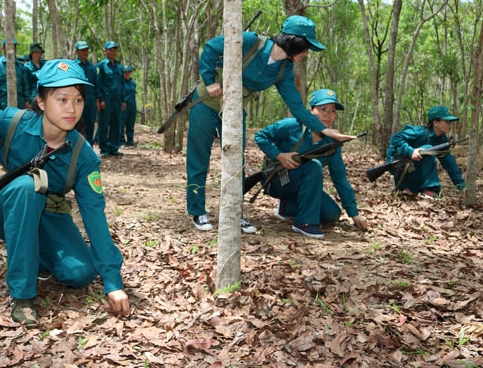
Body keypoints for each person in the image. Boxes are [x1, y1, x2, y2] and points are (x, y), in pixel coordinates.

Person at [0, 59, 130, 325]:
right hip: (4, 209)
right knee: (26, 186)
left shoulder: (84, 156)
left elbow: (94, 217)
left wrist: (113, 282)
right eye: (62, 99)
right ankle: (21, 294)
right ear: (42, 102)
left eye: (78, 100)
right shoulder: (15, 122)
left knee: (80, 273)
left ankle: (36, 256)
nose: (71, 109)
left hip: (49, 215)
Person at [186, 15, 354, 233]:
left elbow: (296, 106)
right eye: (305, 47)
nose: (305, 54)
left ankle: (234, 214)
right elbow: (210, 48)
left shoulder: (283, 71)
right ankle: (197, 211)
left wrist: (324, 129)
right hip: (206, 105)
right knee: (199, 158)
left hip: (235, 112)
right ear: (295, 41)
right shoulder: (250, 41)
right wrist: (209, 81)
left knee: (237, 162)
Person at [253, 89, 369, 238]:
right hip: (276, 181)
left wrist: (354, 214)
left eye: (332, 110)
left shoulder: (331, 144)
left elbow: (340, 179)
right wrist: (279, 155)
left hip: (301, 188)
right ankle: (305, 223)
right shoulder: (293, 125)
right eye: (322, 109)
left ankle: (287, 207)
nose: (327, 114)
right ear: (310, 111)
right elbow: (261, 136)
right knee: (314, 165)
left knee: (332, 214)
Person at [385, 105, 465, 199]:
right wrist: (411, 151)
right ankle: (429, 190)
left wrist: (462, 187)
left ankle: (415, 187)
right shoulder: (419, 132)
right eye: (447, 121)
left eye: (450, 122)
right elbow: (395, 138)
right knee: (428, 148)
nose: (450, 124)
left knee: (430, 151)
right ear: (435, 122)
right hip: (400, 166)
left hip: (415, 171)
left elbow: (450, 164)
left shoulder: (442, 139)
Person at [96, 40, 125, 157]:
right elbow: (98, 83)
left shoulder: (119, 67)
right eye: (110, 50)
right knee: (103, 125)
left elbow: (122, 84)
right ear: (105, 51)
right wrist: (100, 99)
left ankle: (113, 147)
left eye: (114, 50)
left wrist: (123, 100)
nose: (113, 52)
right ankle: (104, 148)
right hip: (106, 100)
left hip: (117, 100)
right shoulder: (101, 66)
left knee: (116, 124)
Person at [0, 38, 31, 110]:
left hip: (19, 103)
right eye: (9, 46)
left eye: (14, 46)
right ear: (3, 48)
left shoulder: (20, 66)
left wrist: (27, 100)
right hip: (2, 103)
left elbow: (25, 85)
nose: (12, 48)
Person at [73, 41, 98, 144]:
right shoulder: (73, 66)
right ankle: (77, 151)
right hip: (78, 102)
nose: (85, 52)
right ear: (77, 51)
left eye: (86, 50)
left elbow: (96, 85)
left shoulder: (92, 67)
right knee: (78, 126)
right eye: (82, 50)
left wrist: (97, 100)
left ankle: (89, 150)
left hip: (91, 103)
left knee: (90, 126)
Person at [120, 65, 137, 147]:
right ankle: (121, 141)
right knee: (121, 123)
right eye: (125, 72)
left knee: (130, 124)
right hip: (124, 106)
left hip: (132, 106)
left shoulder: (133, 83)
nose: (127, 74)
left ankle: (130, 140)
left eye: (128, 72)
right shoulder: (120, 83)